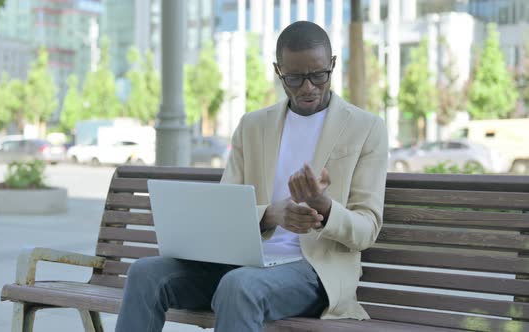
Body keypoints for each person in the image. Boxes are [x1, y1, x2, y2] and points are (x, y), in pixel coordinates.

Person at [115, 21, 388, 332]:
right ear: (278, 71)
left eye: (319, 75)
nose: (308, 87)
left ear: (333, 65)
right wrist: (270, 215)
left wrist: (323, 208)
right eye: (295, 78)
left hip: (314, 271)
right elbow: (224, 213)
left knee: (240, 285)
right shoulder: (253, 126)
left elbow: (367, 229)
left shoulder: (366, 128)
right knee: (146, 273)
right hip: (245, 265)